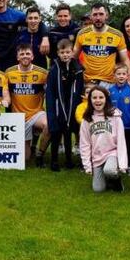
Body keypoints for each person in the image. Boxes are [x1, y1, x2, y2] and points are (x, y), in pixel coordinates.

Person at [5, 44, 49, 166]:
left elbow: (49, 93)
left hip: (36, 114)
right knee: (25, 159)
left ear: (33, 56)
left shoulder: (42, 73)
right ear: (17, 57)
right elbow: (4, 92)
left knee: (49, 125)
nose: (25, 56)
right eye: (22, 54)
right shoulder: (9, 73)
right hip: (19, 117)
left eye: (28, 54)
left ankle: (40, 154)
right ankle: (31, 143)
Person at [79, 86, 127, 193]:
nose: (98, 100)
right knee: (98, 189)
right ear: (90, 100)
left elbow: (121, 141)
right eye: (94, 97)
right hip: (97, 157)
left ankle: (116, 179)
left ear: (106, 99)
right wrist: (87, 165)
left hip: (112, 153)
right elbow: (84, 144)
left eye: (101, 97)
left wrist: (123, 164)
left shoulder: (115, 115)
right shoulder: (87, 119)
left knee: (109, 170)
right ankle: (107, 177)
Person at [45, 39, 84, 171]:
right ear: (58, 53)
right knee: (56, 133)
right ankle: (54, 161)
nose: (65, 55)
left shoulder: (77, 68)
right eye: (62, 52)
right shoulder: (54, 69)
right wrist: (52, 110)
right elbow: (50, 91)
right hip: (58, 105)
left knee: (68, 133)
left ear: (72, 52)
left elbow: (79, 88)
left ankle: (69, 160)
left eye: (68, 52)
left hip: (72, 104)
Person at [73, 3, 128, 84]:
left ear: (106, 16)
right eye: (95, 15)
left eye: (101, 14)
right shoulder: (82, 33)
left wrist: (128, 79)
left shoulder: (117, 35)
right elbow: (74, 57)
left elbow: (125, 60)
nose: (98, 18)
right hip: (88, 82)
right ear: (91, 17)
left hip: (109, 82)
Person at [108, 63, 130, 175]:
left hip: (129, 125)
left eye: (123, 74)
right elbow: (107, 106)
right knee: (117, 145)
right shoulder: (110, 91)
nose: (121, 76)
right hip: (115, 126)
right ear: (114, 76)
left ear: (127, 76)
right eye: (118, 74)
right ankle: (118, 165)